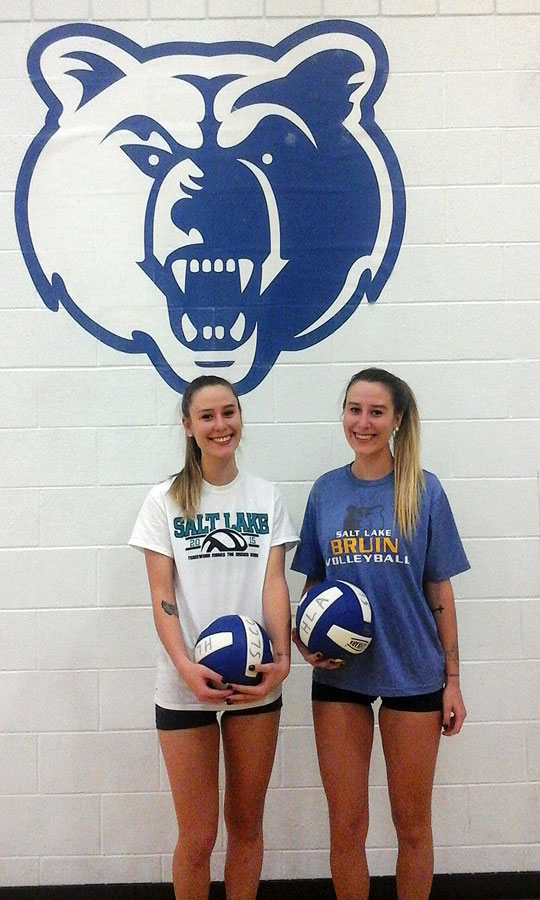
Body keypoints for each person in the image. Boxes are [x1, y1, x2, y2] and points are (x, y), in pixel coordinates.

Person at [291, 367, 470, 900]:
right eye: (354, 409)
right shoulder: (325, 491)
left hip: (413, 671)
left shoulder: (425, 490)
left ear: (397, 421)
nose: (363, 422)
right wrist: (304, 640)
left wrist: (453, 680)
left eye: (376, 412)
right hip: (340, 677)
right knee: (347, 825)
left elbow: (440, 591)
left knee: (411, 824)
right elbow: (312, 587)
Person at [129, 375, 298, 900]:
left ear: (240, 418)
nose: (221, 425)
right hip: (186, 685)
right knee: (199, 836)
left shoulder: (266, 496)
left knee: (246, 827)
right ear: (188, 426)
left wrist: (283, 657)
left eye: (229, 412)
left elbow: (274, 582)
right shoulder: (164, 501)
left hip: (254, 679)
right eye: (207, 416)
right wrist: (185, 667)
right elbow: (162, 594)